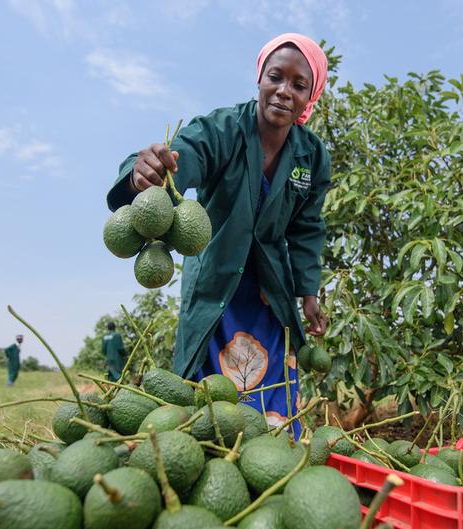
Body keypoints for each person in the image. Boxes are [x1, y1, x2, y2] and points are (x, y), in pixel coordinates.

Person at [106, 33, 331, 438]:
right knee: (208, 400)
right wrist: (151, 170)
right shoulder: (225, 128)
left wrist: (309, 292)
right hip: (216, 285)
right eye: (275, 77)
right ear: (259, 78)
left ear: (310, 96)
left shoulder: (311, 155)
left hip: (270, 291)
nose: (284, 91)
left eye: (298, 85)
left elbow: (307, 228)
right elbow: (184, 154)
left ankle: (272, 470)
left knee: (272, 400)